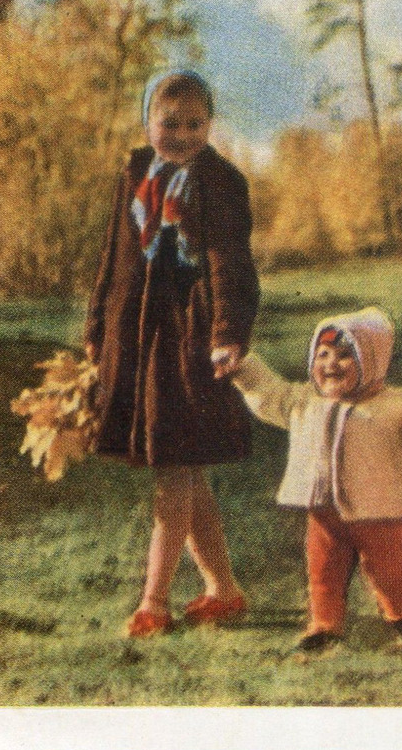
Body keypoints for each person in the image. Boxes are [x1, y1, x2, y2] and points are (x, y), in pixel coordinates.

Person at [84, 70, 260, 638]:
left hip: (190, 340)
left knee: (173, 469)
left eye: (195, 124)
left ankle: (154, 600)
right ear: (147, 121)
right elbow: (114, 253)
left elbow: (229, 263)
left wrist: (228, 333)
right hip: (137, 336)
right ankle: (224, 589)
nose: (182, 135)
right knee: (183, 466)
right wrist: (95, 326)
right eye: (169, 123)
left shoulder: (221, 183)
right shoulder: (136, 175)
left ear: (210, 125)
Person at [231, 306, 402, 652]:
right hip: (324, 513)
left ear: (371, 362)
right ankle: (325, 626)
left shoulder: (393, 405)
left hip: (380, 513)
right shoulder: (304, 402)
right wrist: (243, 367)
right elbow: (269, 394)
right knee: (323, 571)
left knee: (390, 571)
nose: (330, 364)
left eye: (344, 356)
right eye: (322, 354)